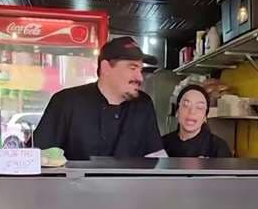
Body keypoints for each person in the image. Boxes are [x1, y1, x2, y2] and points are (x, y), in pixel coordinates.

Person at [33, 37, 166, 160]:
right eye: (132, 68)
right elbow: (39, 156)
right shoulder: (66, 101)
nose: (140, 77)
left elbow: (155, 157)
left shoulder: (143, 104)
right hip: (77, 179)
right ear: (106, 68)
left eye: (140, 69)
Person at [162, 84, 231, 158]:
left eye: (199, 107)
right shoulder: (161, 144)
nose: (192, 112)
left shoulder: (218, 147)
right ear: (177, 112)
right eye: (186, 105)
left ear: (205, 117)